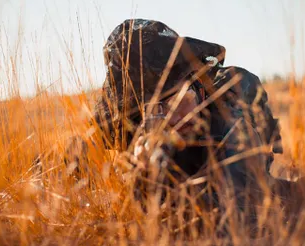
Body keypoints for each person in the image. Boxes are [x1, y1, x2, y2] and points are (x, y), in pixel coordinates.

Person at [87, 18, 284, 212]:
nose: (172, 119)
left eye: (180, 101)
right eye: (154, 111)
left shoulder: (234, 132)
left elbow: (235, 221)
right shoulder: (135, 134)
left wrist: (154, 186)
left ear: (201, 90)